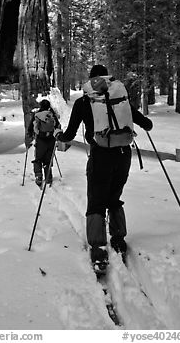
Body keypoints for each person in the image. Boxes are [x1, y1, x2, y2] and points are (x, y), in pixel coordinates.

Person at [54, 65, 153, 268]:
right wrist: (146, 124)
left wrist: (58, 136)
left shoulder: (84, 102)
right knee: (114, 197)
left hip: (100, 156)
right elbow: (143, 121)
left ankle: (98, 250)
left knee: (96, 201)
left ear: (91, 82)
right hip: (124, 155)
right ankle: (118, 240)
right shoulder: (119, 99)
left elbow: (70, 134)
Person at [25, 99, 61, 188]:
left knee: (38, 158)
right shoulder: (52, 115)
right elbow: (58, 126)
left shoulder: (37, 115)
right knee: (48, 159)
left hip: (40, 140)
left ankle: (39, 176)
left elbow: (30, 128)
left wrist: (29, 134)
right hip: (51, 140)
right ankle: (49, 177)